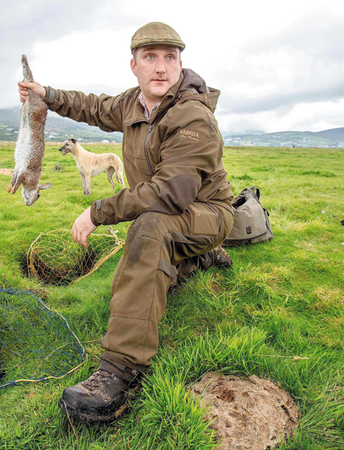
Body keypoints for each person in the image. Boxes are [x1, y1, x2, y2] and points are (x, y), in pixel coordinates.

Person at [18, 21, 234, 423]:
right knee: (153, 229)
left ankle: (121, 369)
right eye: (150, 57)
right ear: (133, 65)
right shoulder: (133, 104)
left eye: (170, 57)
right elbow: (93, 107)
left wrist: (97, 212)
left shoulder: (193, 117)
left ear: (181, 64)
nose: (161, 67)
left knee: (149, 227)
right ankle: (197, 259)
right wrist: (47, 95)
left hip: (208, 212)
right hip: (174, 213)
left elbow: (170, 193)